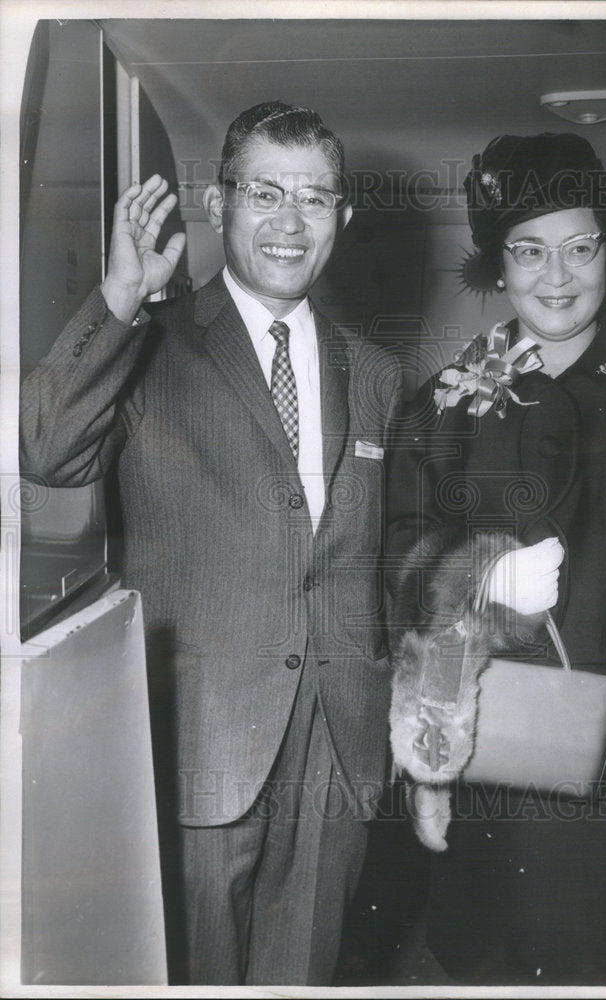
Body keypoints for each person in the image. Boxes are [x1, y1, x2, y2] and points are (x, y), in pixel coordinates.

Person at [19, 102, 402, 986]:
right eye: (264, 191)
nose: (287, 220)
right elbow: (43, 451)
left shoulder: (380, 376)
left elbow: (381, 554)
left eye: (313, 198)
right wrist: (118, 298)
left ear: (341, 219)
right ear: (218, 203)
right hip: (198, 741)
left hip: (337, 748)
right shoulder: (148, 345)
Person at [385, 133, 606, 985]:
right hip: (497, 726)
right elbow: (400, 557)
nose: (557, 278)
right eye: (529, 252)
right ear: (499, 262)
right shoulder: (444, 401)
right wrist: (479, 579)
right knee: (498, 955)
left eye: (580, 249)